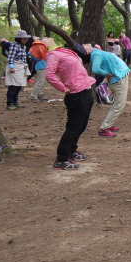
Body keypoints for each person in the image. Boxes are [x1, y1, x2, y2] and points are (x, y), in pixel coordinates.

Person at [44, 38, 96, 170]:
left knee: (81, 125)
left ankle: (71, 150)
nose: (44, 37)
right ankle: (61, 159)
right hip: (75, 94)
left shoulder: (63, 51)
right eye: (41, 39)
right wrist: (63, 88)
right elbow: (49, 75)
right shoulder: (52, 55)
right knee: (73, 127)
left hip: (85, 90)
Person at [84, 44, 130, 137]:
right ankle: (104, 129)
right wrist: (107, 74)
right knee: (119, 105)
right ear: (85, 52)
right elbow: (95, 69)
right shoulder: (95, 55)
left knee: (119, 104)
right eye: (83, 45)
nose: (85, 44)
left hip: (120, 78)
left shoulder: (96, 52)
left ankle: (109, 125)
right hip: (118, 81)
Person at [5, 30, 31, 111]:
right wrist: (11, 67)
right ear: (19, 39)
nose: (25, 40)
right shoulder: (13, 45)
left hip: (21, 66)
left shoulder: (23, 46)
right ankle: (10, 103)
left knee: (19, 85)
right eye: (24, 39)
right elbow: (10, 57)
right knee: (13, 85)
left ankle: (15, 102)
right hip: (15, 66)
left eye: (26, 39)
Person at [28, 36, 50, 102]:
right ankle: (33, 96)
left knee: (43, 81)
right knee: (40, 81)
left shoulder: (43, 48)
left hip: (44, 65)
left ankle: (40, 94)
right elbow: (30, 53)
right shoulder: (34, 49)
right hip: (40, 66)